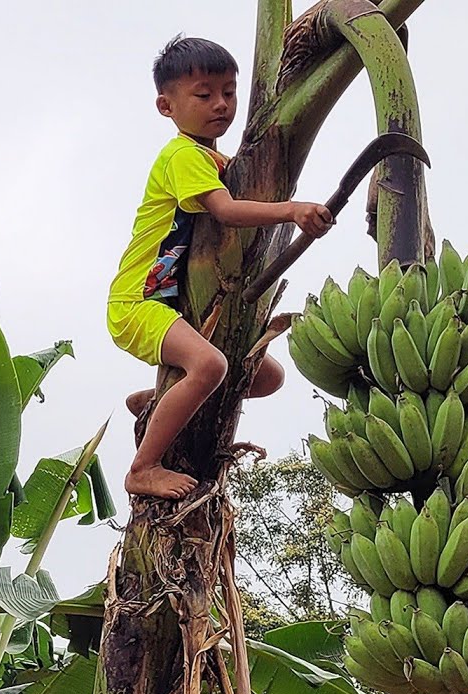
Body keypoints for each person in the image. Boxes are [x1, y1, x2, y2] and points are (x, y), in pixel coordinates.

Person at [107, 35, 335, 499]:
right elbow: (227, 210)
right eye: (204, 94)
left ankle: (155, 403)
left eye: (229, 92)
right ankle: (142, 468)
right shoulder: (183, 157)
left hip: (174, 305)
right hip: (138, 301)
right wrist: (291, 210)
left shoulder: (214, 159)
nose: (221, 104)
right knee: (211, 365)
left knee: (267, 377)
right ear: (166, 106)